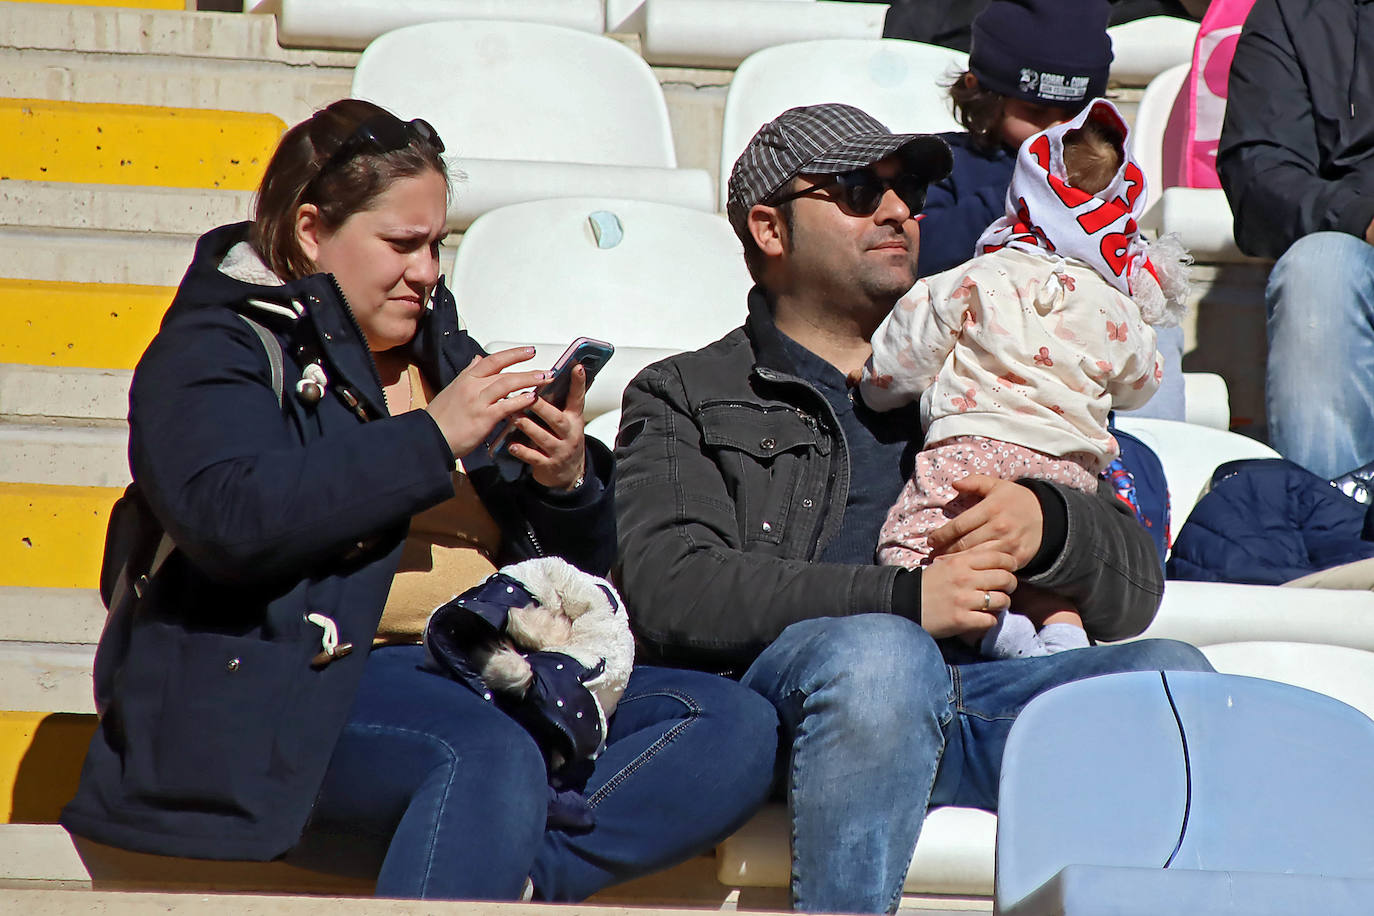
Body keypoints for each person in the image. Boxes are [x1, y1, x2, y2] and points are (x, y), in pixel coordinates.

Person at [60, 99, 777, 902]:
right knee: (486, 751)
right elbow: (226, 518)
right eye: (402, 244)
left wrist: (565, 482)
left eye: (436, 244)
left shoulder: (444, 352)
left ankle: (512, 873)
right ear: (309, 233)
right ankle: (485, 852)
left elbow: (566, 569)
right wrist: (430, 440)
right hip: (293, 686)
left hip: (482, 666)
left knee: (729, 725)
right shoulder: (215, 346)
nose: (428, 270)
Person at [614, 102, 1213, 914]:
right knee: (883, 660)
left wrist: (1050, 525)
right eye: (861, 190)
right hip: (811, 701)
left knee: (1171, 679)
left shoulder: (995, 360)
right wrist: (905, 602)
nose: (899, 211)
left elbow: (1135, 590)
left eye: (911, 191)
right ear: (769, 228)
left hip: (992, 692)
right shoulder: (687, 392)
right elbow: (672, 586)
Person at [861, 99, 1190, 659]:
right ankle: (1061, 633)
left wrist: (871, 385)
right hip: (1072, 473)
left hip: (973, 453)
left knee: (912, 554)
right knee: (1048, 579)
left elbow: (901, 362)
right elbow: (1143, 383)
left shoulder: (977, 278)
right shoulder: (1117, 310)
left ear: (1026, 191)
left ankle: (994, 633)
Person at [915, 0, 1190, 422]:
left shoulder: (1102, 181)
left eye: (1071, 115)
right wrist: (1024, 193)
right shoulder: (942, 164)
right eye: (1035, 113)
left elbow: (1129, 267)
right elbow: (920, 253)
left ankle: (1148, 444)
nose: (1054, 131)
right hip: (980, 388)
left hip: (1086, 390)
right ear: (983, 93)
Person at [1217, 0, 1374, 481]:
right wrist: (1364, 219)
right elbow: (1258, 174)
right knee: (1318, 267)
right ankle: (1330, 527)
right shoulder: (1294, 14)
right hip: (1357, 248)